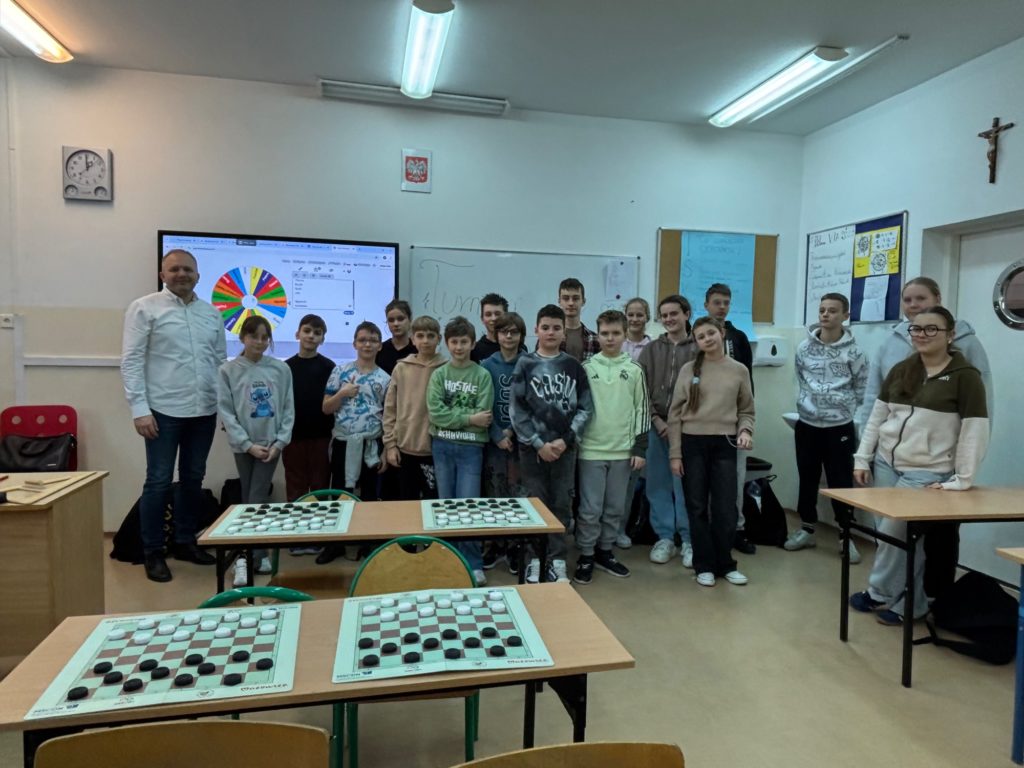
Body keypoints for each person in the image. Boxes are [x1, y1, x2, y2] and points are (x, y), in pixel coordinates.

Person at [855, 276, 993, 600]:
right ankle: (900, 597)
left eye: (921, 299)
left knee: (915, 536)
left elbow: (977, 423)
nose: (914, 308)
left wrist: (963, 474)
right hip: (888, 460)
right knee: (891, 535)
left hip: (931, 467)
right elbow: (875, 408)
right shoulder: (900, 361)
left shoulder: (966, 363)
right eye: (908, 300)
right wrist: (863, 455)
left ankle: (907, 598)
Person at [121, 249, 226, 583]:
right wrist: (139, 409)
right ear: (162, 275)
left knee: (193, 478)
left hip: (204, 410)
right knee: (158, 481)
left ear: (198, 275)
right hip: (162, 411)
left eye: (188, 270)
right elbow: (131, 361)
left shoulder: (212, 314)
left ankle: (184, 542)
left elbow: (220, 363)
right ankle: (153, 551)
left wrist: (224, 407)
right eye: (175, 269)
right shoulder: (144, 308)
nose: (182, 274)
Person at [668, 316, 755, 587]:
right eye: (701, 336)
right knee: (696, 506)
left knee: (726, 506)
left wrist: (745, 431)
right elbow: (674, 415)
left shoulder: (739, 370)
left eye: (711, 333)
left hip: (725, 443)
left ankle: (725, 563)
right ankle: (703, 565)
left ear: (721, 333)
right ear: (696, 342)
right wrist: (675, 454)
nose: (707, 339)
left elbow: (747, 410)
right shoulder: (689, 370)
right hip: (692, 443)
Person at [510, 304, 593, 583]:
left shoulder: (573, 366)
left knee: (561, 504)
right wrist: (538, 444)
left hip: (564, 450)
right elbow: (517, 411)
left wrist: (565, 441)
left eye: (556, 328)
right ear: (536, 330)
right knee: (534, 504)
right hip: (532, 450)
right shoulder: (525, 364)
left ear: (564, 332)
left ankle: (556, 560)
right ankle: (534, 559)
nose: (551, 332)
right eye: (545, 327)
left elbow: (585, 409)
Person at [788, 293, 868, 563]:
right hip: (807, 425)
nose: (825, 314)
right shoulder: (804, 348)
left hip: (839, 426)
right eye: (822, 310)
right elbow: (801, 379)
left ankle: (846, 536)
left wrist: (841, 408)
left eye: (832, 310)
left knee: (840, 481)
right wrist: (810, 405)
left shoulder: (855, 352)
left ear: (845, 315)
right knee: (807, 477)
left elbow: (861, 389)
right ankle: (807, 529)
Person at [217, 315, 295, 586]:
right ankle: (253, 554)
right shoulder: (228, 370)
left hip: (271, 446)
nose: (259, 342)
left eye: (265, 337)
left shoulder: (280, 369)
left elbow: (288, 407)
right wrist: (247, 445)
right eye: (254, 336)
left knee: (256, 497)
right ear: (242, 338)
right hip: (244, 446)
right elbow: (226, 411)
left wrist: (280, 442)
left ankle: (247, 557)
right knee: (251, 496)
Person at [574, 310, 649, 584]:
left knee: (615, 507)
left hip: (623, 452)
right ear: (597, 335)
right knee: (590, 509)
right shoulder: (586, 368)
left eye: (616, 333)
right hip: (591, 451)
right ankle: (586, 554)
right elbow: (578, 407)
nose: (610, 338)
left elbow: (642, 409)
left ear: (625, 335)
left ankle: (605, 551)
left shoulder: (635, 370)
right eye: (604, 333)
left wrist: (639, 449)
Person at [427, 316, 495, 583]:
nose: (458, 347)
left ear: (472, 343)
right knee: (446, 506)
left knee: (468, 506)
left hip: (471, 449)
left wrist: (463, 419)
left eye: (463, 342)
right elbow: (435, 414)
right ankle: (448, 559)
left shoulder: (482, 375)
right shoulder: (439, 374)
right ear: (446, 344)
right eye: (454, 342)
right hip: (442, 446)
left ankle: (473, 563)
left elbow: (484, 416)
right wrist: (469, 419)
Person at [316, 321, 391, 565]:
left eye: (373, 340)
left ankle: (366, 542)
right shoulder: (341, 372)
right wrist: (342, 393)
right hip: (344, 442)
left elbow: (388, 416)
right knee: (340, 493)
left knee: (369, 494)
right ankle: (335, 543)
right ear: (355, 344)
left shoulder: (385, 379)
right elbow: (326, 408)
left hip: (371, 443)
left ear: (380, 345)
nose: (367, 344)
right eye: (362, 340)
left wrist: (385, 450)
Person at [637, 294, 697, 568]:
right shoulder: (651, 350)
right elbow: (641, 390)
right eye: (664, 315)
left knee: (685, 485)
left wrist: (679, 423)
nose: (669, 319)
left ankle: (688, 539)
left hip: (686, 429)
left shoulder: (698, 349)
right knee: (657, 483)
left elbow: (703, 390)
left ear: (686, 314)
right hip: (656, 427)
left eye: (674, 313)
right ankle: (664, 538)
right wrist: (656, 420)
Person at [703, 283, 756, 555]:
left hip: (734, 422)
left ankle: (736, 529)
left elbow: (748, 383)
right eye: (717, 302)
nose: (721, 307)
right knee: (704, 483)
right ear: (706, 305)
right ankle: (706, 531)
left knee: (735, 478)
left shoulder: (739, 338)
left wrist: (746, 423)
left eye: (726, 302)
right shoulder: (697, 336)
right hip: (703, 425)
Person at [479, 311, 529, 573]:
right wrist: (498, 434)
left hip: (521, 443)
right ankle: (496, 544)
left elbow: (531, 404)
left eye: (514, 332)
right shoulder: (487, 365)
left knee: (518, 494)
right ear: (496, 335)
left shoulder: (529, 363)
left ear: (522, 336)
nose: (509, 336)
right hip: (494, 442)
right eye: (504, 332)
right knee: (495, 494)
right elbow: (481, 404)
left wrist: (513, 432)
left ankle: (515, 546)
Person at [382, 315, 446, 499]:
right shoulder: (401, 368)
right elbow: (390, 409)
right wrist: (390, 445)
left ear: (439, 339)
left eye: (430, 336)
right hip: (404, 449)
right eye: (420, 336)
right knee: (406, 502)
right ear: (412, 339)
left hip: (435, 450)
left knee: (432, 502)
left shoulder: (445, 369)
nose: (425, 341)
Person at [282, 314, 334, 501]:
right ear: (297, 334)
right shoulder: (286, 368)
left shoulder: (329, 367)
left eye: (317, 333)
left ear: (322, 339)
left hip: (321, 437)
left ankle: (322, 519)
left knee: (320, 487)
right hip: (293, 437)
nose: (311, 336)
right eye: (307, 331)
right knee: (295, 487)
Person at [615, 297, 653, 550]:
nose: (635, 319)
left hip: (639, 420)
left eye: (640, 314)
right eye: (631, 314)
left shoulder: (653, 347)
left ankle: (620, 528)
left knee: (630, 480)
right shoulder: (617, 343)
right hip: (613, 419)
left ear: (647, 317)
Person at [557, 277, 600, 362]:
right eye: (566, 298)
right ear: (559, 301)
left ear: (583, 301)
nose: (571, 303)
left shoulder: (594, 338)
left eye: (576, 298)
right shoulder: (550, 336)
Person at [376, 299, 417, 375]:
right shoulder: (379, 350)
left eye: (400, 319)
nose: (396, 324)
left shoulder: (418, 349)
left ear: (410, 320)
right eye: (391, 320)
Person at [471, 293, 511, 363]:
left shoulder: (518, 347)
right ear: (482, 319)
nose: (493, 318)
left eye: (497, 314)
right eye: (488, 314)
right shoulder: (474, 350)